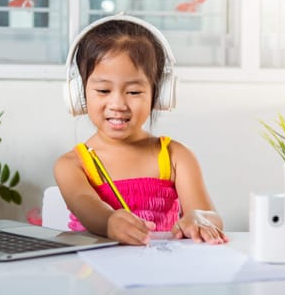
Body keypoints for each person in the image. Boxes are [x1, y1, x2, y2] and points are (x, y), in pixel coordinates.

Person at [54, 14, 228, 246]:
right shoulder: (71, 165)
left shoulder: (176, 156)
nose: (118, 104)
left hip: (159, 275)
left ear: (160, 95)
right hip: (92, 275)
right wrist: (109, 222)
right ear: (78, 94)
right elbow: (84, 202)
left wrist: (198, 218)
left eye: (134, 92)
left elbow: (209, 215)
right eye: (103, 91)